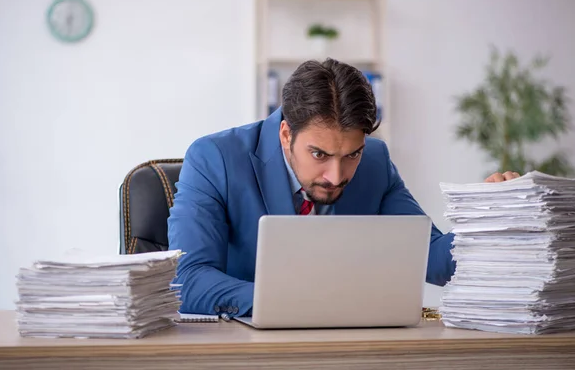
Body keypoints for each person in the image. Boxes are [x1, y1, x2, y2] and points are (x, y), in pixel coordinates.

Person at [167, 58, 520, 317]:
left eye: (352, 154)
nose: (336, 176)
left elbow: (435, 262)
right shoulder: (214, 159)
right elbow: (189, 280)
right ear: (286, 134)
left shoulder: (376, 161)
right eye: (319, 154)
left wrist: (488, 215)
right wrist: (293, 301)